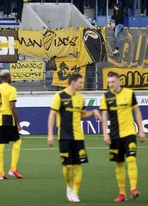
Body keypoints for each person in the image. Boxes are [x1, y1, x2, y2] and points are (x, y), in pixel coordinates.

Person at [47, 73, 100, 203]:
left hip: (78, 136)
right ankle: (69, 188)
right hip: (64, 136)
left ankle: (75, 193)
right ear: (73, 82)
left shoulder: (81, 98)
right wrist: (50, 134)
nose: (82, 85)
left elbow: (82, 114)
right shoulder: (59, 96)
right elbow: (52, 115)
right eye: (80, 82)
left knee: (79, 165)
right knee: (67, 167)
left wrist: (93, 112)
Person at [100, 72, 146, 203]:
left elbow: (137, 111)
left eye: (113, 82)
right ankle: (122, 194)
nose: (111, 85)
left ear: (119, 81)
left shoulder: (129, 93)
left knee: (131, 159)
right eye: (109, 82)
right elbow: (104, 116)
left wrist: (141, 130)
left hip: (129, 133)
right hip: (114, 136)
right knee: (119, 164)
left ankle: (133, 189)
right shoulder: (106, 96)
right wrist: (105, 133)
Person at [0, 69, 23, 180]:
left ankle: (1, 173)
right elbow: (12, 107)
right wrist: (18, 122)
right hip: (7, 118)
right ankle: (13, 168)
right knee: (17, 141)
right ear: (8, 77)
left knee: (0, 144)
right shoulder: (11, 89)